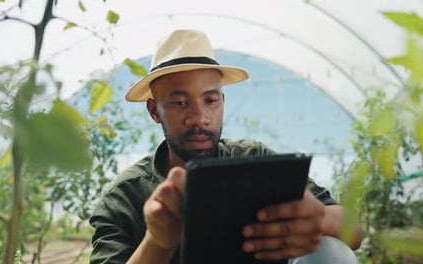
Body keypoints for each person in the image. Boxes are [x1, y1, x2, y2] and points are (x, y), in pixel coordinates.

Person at [89, 29, 362, 264]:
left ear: (223, 101)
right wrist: (158, 241)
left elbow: (354, 231)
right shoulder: (123, 198)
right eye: (180, 102)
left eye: (210, 100)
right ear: (154, 110)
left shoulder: (255, 161)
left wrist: (318, 219)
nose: (199, 117)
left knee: (332, 249)